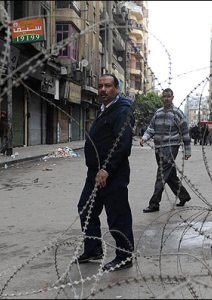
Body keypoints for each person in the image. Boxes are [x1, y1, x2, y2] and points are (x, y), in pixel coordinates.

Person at [77, 74, 135, 272]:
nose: (103, 90)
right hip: (95, 173)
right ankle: (93, 250)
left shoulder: (122, 111)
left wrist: (107, 169)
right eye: (100, 86)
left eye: (108, 86)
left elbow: (122, 143)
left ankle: (125, 256)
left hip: (112, 173)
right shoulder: (105, 110)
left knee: (117, 215)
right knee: (86, 209)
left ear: (116, 89)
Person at [140, 88, 191, 213]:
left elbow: (185, 132)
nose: (166, 98)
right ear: (162, 98)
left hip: (171, 146)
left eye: (168, 96)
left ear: (172, 97)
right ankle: (184, 196)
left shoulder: (177, 113)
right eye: (164, 96)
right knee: (170, 175)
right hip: (159, 148)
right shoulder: (158, 113)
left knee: (162, 174)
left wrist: (187, 150)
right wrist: (144, 138)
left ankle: (154, 203)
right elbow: (151, 128)